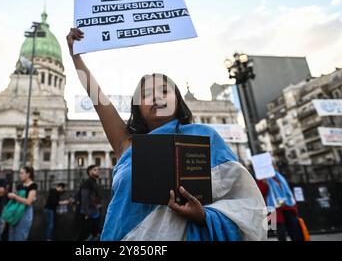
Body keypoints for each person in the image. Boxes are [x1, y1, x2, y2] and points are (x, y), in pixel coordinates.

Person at [66, 28, 267, 241]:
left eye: (164, 91)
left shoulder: (204, 136)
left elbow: (243, 200)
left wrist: (204, 216)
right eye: (146, 94)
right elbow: (97, 97)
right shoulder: (128, 144)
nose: (156, 97)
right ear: (137, 107)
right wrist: (76, 56)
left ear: (177, 99)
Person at [257, 167, 304, 241]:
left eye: (274, 165)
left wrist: (294, 207)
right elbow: (261, 194)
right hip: (274, 210)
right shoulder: (262, 179)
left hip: (288, 207)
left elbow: (288, 192)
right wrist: (264, 183)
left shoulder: (279, 177)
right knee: (281, 232)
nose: (274, 167)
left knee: (295, 230)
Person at [7, 166, 37, 241]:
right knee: (12, 235)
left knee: (20, 236)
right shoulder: (19, 186)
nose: (19, 175)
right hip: (15, 212)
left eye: (21, 173)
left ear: (28, 174)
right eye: (19, 173)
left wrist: (15, 196)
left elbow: (28, 202)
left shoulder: (33, 185)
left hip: (25, 213)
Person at [76, 165, 102, 241]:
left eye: (98, 169)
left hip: (94, 212)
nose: (97, 171)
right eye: (95, 169)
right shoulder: (87, 183)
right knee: (85, 235)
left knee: (95, 234)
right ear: (89, 172)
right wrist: (87, 214)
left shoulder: (93, 183)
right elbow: (84, 198)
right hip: (88, 214)